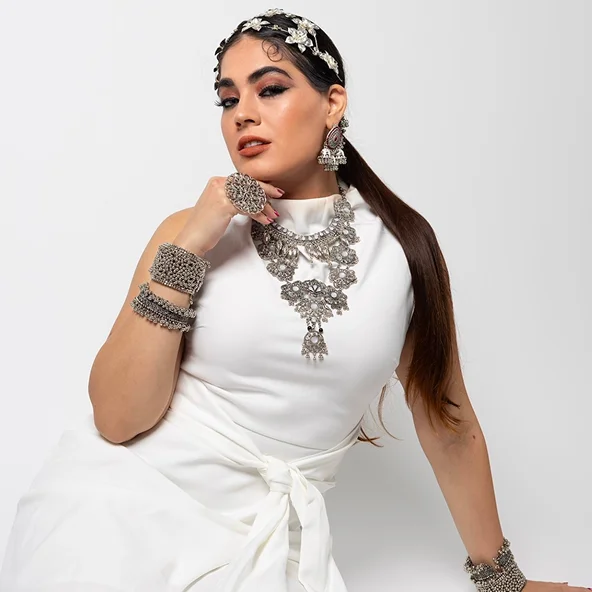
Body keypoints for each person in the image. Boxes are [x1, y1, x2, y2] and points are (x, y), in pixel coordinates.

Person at [0, 8, 588, 592]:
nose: (243, 114)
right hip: (125, 508)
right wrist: (192, 245)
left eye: (270, 89)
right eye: (228, 99)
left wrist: (505, 582)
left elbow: (447, 424)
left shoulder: (404, 249)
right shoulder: (189, 232)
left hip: (274, 545)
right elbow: (117, 418)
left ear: (333, 104)